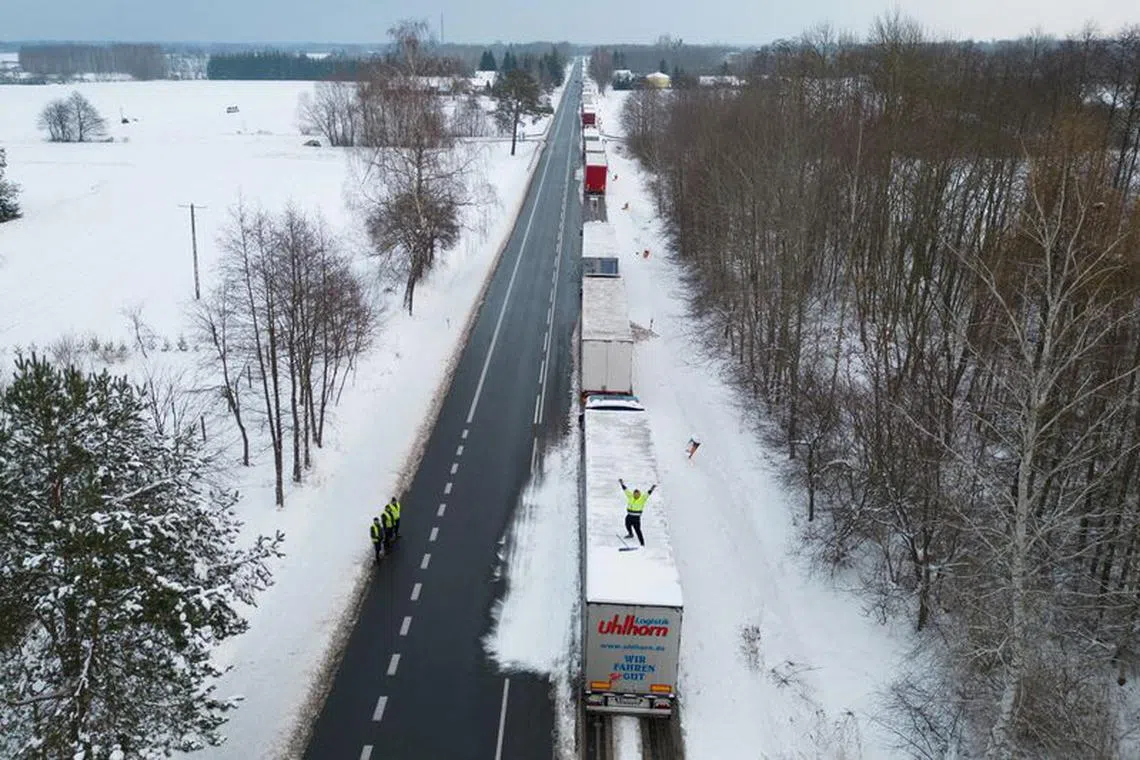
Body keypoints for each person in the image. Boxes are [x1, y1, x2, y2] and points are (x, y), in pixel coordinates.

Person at [619, 478, 656, 546]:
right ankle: (630, 534)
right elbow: (626, 490)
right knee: (627, 525)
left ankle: (642, 543)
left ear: (639, 494)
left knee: (638, 530)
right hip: (629, 516)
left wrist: (652, 488)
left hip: (636, 518)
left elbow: (648, 494)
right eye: (635, 494)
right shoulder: (631, 497)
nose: (636, 495)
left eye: (637, 494)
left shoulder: (642, 499)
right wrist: (622, 483)